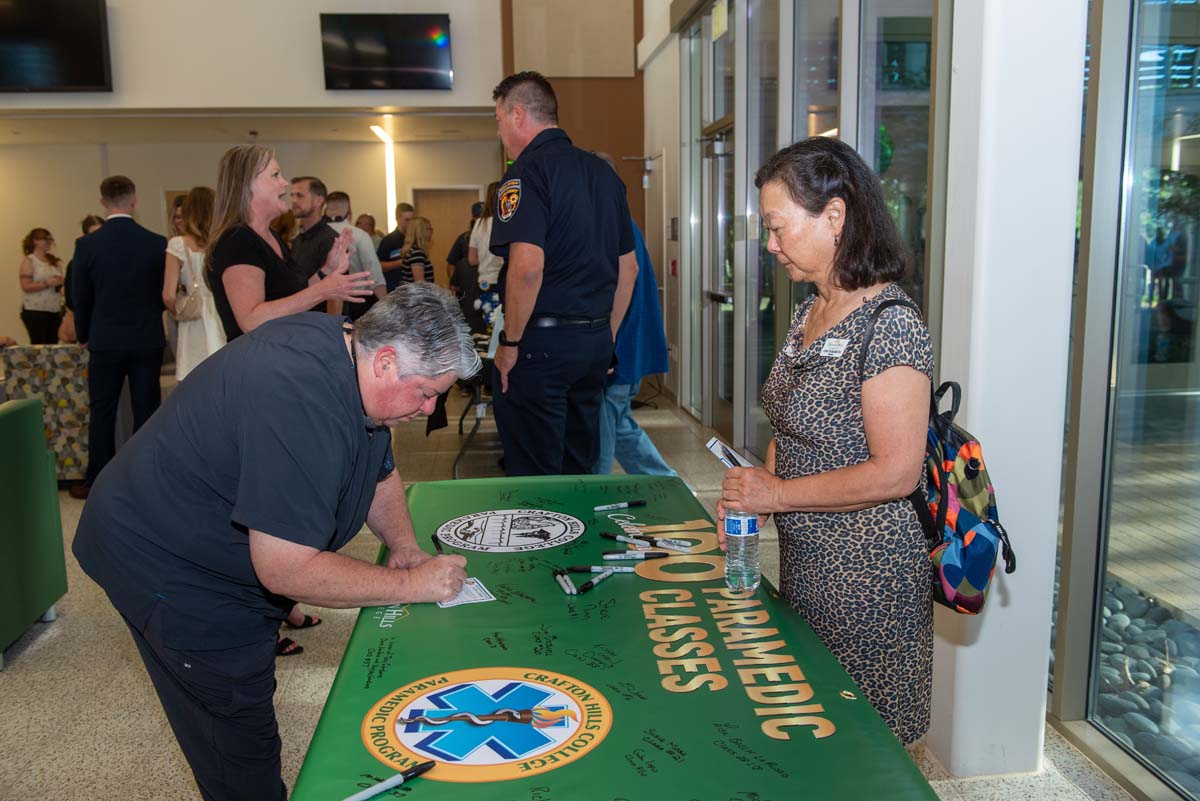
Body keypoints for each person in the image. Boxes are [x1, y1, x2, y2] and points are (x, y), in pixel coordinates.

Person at [72, 284, 478, 801]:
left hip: (202, 537)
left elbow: (379, 467)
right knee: (236, 735)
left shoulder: (353, 350)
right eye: (425, 393)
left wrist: (404, 547)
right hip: (165, 562)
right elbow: (285, 567)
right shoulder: (299, 397)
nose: (429, 409)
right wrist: (409, 584)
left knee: (248, 696)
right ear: (386, 362)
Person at [717, 137, 934, 746]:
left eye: (779, 227)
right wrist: (750, 499)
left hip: (868, 580)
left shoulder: (891, 324)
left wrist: (777, 496)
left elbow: (897, 473)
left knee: (864, 751)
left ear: (834, 216)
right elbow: (789, 427)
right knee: (816, 734)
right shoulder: (810, 311)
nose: (770, 244)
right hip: (809, 568)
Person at [488, 71, 638, 476]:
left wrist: (510, 342)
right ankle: (578, 537)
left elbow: (526, 269)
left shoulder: (525, 173)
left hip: (539, 345)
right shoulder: (604, 174)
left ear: (518, 114)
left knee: (535, 473)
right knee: (579, 468)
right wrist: (606, 335)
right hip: (592, 344)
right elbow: (629, 268)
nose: (499, 131)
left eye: (499, 120)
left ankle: (543, 540)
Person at [205, 145, 373, 342]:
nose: (284, 183)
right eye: (275, 175)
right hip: (258, 362)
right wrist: (325, 289)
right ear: (248, 185)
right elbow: (251, 319)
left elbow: (293, 295)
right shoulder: (237, 240)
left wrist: (326, 270)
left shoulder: (271, 236)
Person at [70, 176, 169, 500]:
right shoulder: (155, 242)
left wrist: (83, 334)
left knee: (102, 410)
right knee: (147, 409)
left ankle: (96, 477)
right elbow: (161, 294)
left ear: (102, 202)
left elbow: (80, 296)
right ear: (134, 200)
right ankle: (148, 477)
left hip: (105, 338)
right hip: (146, 336)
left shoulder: (87, 245)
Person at [590, 153, 674, 477]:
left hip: (619, 351)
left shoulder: (612, 223)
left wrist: (604, 344)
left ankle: (593, 498)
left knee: (604, 431)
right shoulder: (623, 221)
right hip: (629, 349)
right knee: (620, 424)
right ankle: (666, 484)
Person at [162, 186, 225, 380]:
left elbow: (168, 295)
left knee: (194, 380)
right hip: (223, 312)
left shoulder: (178, 244)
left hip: (194, 316)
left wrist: (179, 311)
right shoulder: (223, 240)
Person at [324, 190, 387, 320]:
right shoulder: (359, 235)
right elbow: (374, 275)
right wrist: (387, 309)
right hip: (356, 302)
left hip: (318, 300)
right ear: (349, 211)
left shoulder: (312, 237)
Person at [289, 176, 338, 311]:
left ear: (318, 200)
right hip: (299, 320)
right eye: (292, 195)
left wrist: (333, 330)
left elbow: (336, 294)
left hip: (321, 325)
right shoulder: (298, 240)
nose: (293, 200)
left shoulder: (330, 240)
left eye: (299, 196)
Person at [61, 214, 105, 344]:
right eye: (93, 235)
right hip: (92, 325)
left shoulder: (115, 259)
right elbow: (72, 300)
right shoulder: (76, 263)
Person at [18, 228, 65, 344]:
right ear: (35, 241)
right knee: (39, 346)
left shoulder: (53, 261)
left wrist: (61, 282)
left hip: (54, 309)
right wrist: (46, 283)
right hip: (35, 310)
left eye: (50, 239)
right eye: (45, 239)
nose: (49, 242)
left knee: (53, 346)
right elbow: (26, 286)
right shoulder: (29, 261)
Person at [469, 181, 504, 290]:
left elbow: (472, 260)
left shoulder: (479, 223)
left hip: (485, 282)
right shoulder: (507, 222)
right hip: (503, 278)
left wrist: (486, 260)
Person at [378, 201, 416, 292]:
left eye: (412, 220)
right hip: (395, 290)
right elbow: (380, 265)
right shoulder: (389, 240)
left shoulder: (415, 240)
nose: (410, 223)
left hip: (413, 290)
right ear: (397, 219)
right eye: (407, 220)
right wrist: (402, 262)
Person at [445, 201, 481, 284]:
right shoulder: (463, 238)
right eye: (478, 218)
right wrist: (456, 284)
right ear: (473, 219)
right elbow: (451, 264)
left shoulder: (494, 238)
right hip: (466, 289)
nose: (481, 221)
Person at [397, 216, 434, 285]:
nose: (432, 232)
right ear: (421, 231)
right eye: (430, 229)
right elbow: (420, 284)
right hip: (417, 295)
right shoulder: (417, 253)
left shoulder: (413, 250)